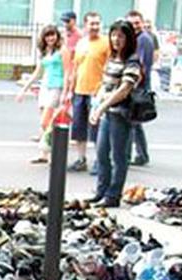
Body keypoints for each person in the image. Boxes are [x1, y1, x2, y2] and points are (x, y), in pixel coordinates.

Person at [89, 19, 142, 208]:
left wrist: (102, 106)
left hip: (121, 115)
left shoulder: (133, 61)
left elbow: (124, 90)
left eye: (121, 36)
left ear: (128, 38)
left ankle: (113, 196)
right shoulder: (113, 58)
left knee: (119, 157)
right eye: (113, 35)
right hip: (107, 113)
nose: (116, 39)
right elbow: (105, 84)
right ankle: (101, 191)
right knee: (102, 153)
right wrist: (98, 105)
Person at [16, 25, 69, 163]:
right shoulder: (45, 52)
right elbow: (37, 73)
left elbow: (68, 71)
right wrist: (24, 89)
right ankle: (45, 154)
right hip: (45, 87)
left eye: (53, 35)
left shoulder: (62, 51)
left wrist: (65, 92)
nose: (50, 38)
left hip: (56, 86)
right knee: (46, 124)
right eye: (48, 36)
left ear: (57, 36)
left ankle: (55, 151)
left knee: (46, 121)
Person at [64, 12, 109, 173]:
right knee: (78, 128)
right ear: (85, 25)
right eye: (92, 24)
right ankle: (81, 159)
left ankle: (100, 160)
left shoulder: (106, 43)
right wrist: (70, 90)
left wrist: (104, 90)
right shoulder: (81, 43)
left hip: (96, 92)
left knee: (97, 129)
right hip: (79, 91)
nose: (95, 27)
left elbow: (109, 67)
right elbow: (75, 68)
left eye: (97, 23)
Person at [126, 10, 154, 167]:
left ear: (142, 23)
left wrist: (132, 86)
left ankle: (131, 155)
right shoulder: (137, 38)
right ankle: (141, 154)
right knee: (135, 123)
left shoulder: (143, 40)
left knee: (132, 122)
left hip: (138, 87)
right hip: (139, 86)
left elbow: (141, 66)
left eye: (137, 23)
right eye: (131, 23)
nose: (135, 26)